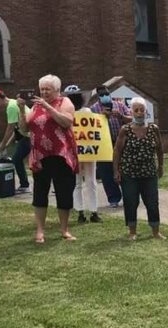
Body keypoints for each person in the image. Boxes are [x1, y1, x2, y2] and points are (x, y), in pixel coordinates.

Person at [16, 74, 79, 243]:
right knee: (40, 192)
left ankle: (64, 229)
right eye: (42, 89)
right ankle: (40, 231)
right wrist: (22, 109)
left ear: (57, 90)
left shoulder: (64, 102)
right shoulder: (36, 106)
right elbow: (24, 128)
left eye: (47, 89)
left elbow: (66, 122)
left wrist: (49, 107)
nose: (44, 92)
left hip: (61, 155)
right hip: (40, 156)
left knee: (63, 191)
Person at [113, 97, 165, 241]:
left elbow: (160, 149)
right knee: (131, 201)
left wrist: (160, 166)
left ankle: (155, 231)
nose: (139, 113)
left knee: (152, 202)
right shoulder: (125, 129)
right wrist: (116, 170)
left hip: (149, 172)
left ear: (146, 112)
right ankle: (132, 231)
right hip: (129, 172)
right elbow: (117, 151)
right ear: (131, 112)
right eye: (136, 110)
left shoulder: (153, 129)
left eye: (142, 110)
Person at [64, 85, 102, 224]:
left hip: (84, 150)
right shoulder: (72, 112)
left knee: (82, 182)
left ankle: (87, 212)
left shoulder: (84, 111)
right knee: (85, 182)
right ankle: (88, 212)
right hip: (81, 151)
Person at [91, 84, 131, 208]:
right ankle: (113, 198)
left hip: (121, 142)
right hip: (103, 144)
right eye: (102, 95)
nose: (105, 96)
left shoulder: (120, 105)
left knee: (125, 169)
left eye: (106, 94)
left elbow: (131, 119)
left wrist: (121, 116)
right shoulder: (93, 109)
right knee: (106, 172)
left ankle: (129, 195)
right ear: (98, 96)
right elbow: (91, 127)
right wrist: (102, 117)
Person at [0, 89, 31, 193]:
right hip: (27, 135)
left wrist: (2, 145)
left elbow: (10, 128)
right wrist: (6, 145)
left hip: (31, 136)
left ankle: (25, 186)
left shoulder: (11, 107)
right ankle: (25, 185)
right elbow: (15, 130)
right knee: (17, 159)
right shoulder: (14, 103)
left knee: (17, 159)